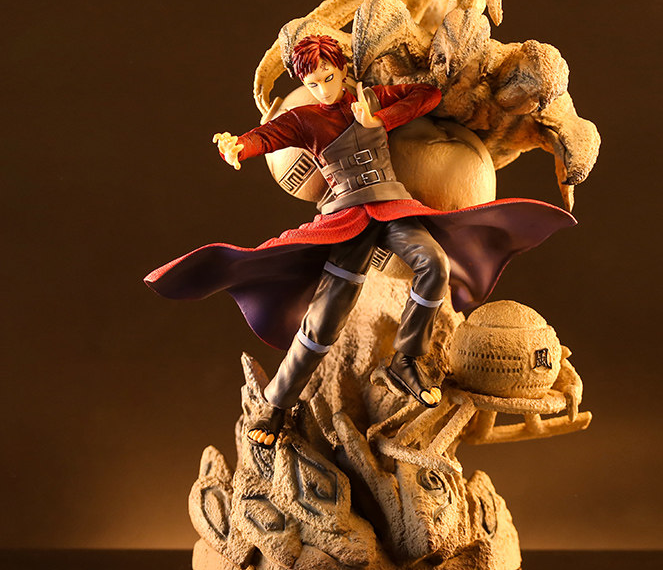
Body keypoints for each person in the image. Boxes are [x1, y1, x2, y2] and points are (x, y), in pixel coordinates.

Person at [146, 35, 575, 447]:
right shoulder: (305, 119)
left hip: (391, 209)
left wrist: (381, 119)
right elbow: (268, 137)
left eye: (328, 78)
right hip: (347, 219)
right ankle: (275, 406)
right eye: (313, 83)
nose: (322, 89)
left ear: (342, 71)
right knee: (323, 323)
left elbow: (427, 96)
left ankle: (406, 360)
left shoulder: (369, 99)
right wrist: (238, 147)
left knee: (434, 265)